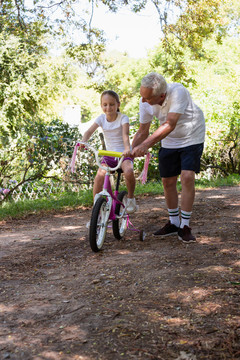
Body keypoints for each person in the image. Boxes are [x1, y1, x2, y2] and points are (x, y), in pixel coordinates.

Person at [132, 72, 205, 243]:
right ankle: (174, 223)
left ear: (162, 96)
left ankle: (185, 226)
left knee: (187, 176)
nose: (143, 101)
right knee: (167, 181)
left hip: (191, 135)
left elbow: (169, 124)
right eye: (142, 96)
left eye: (147, 98)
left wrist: (145, 146)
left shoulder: (179, 92)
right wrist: (130, 151)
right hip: (170, 140)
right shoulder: (145, 100)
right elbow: (143, 131)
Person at [82, 90, 138, 214]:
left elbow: (125, 135)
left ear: (118, 104)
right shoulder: (101, 118)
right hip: (109, 156)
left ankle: (130, 198)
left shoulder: (123, 118)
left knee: (128, 171)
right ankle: (96, 210)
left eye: (112, 104)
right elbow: (89, 132)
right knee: (99, 176)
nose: (108, 108)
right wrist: (83, 142)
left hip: (123, 154)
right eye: (105, 104)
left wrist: (127, 149)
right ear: (101, 106)